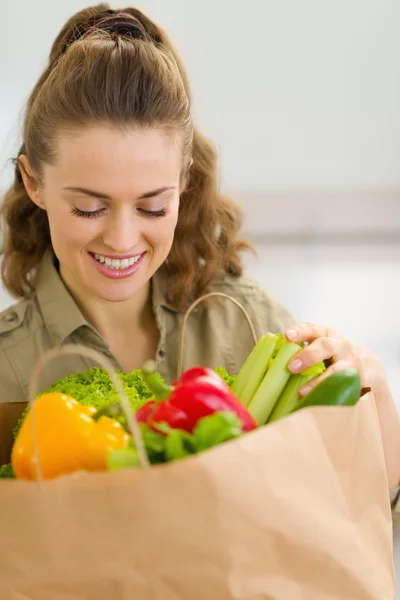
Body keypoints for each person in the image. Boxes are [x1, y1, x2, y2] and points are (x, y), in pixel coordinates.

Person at [0, 3, 399, 506]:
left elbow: (357, 522)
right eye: (88, 207)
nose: (122, 239)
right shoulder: (6, 364)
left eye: (153, 205)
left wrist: (377, 398)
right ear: (33, 182)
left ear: (184, 182)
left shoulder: (249, 328)